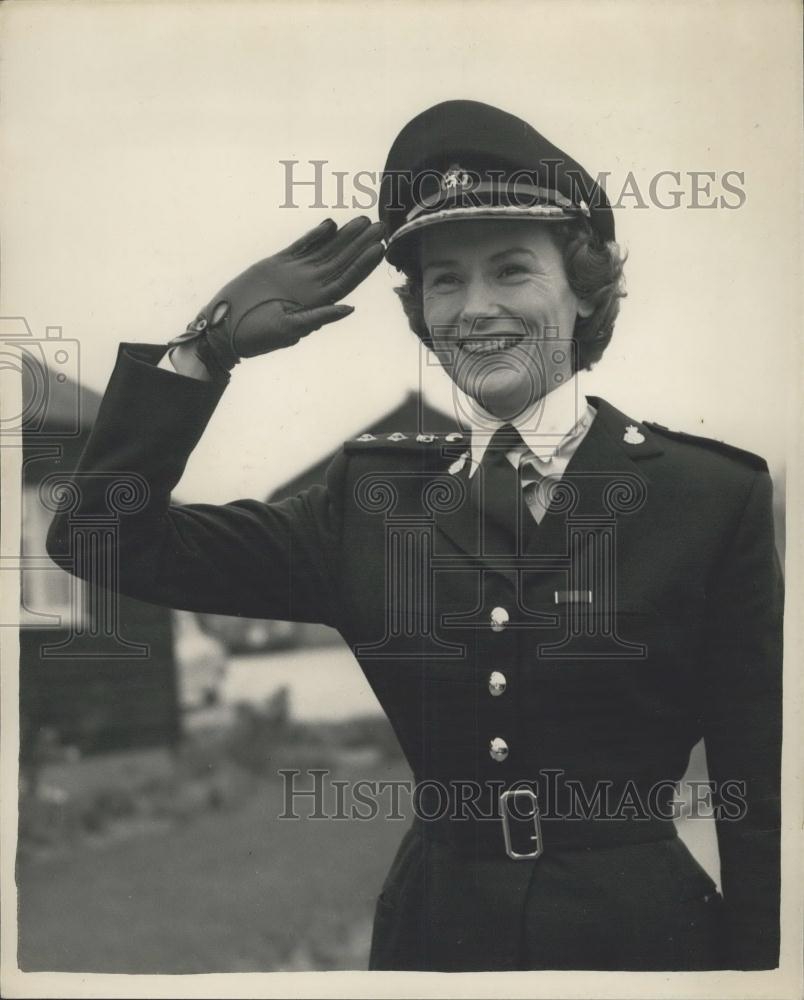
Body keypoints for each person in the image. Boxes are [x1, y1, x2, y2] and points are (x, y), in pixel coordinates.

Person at [46, 100, 782, 972]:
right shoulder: (367, 502)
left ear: (584, 286)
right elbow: (100, 539)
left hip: (642, 949)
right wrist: (205, 350)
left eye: (512, 271)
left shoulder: (710, 497)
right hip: (434, 945)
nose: (475, 309)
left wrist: (760, 978)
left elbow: (761, 798)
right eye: (445, 280)